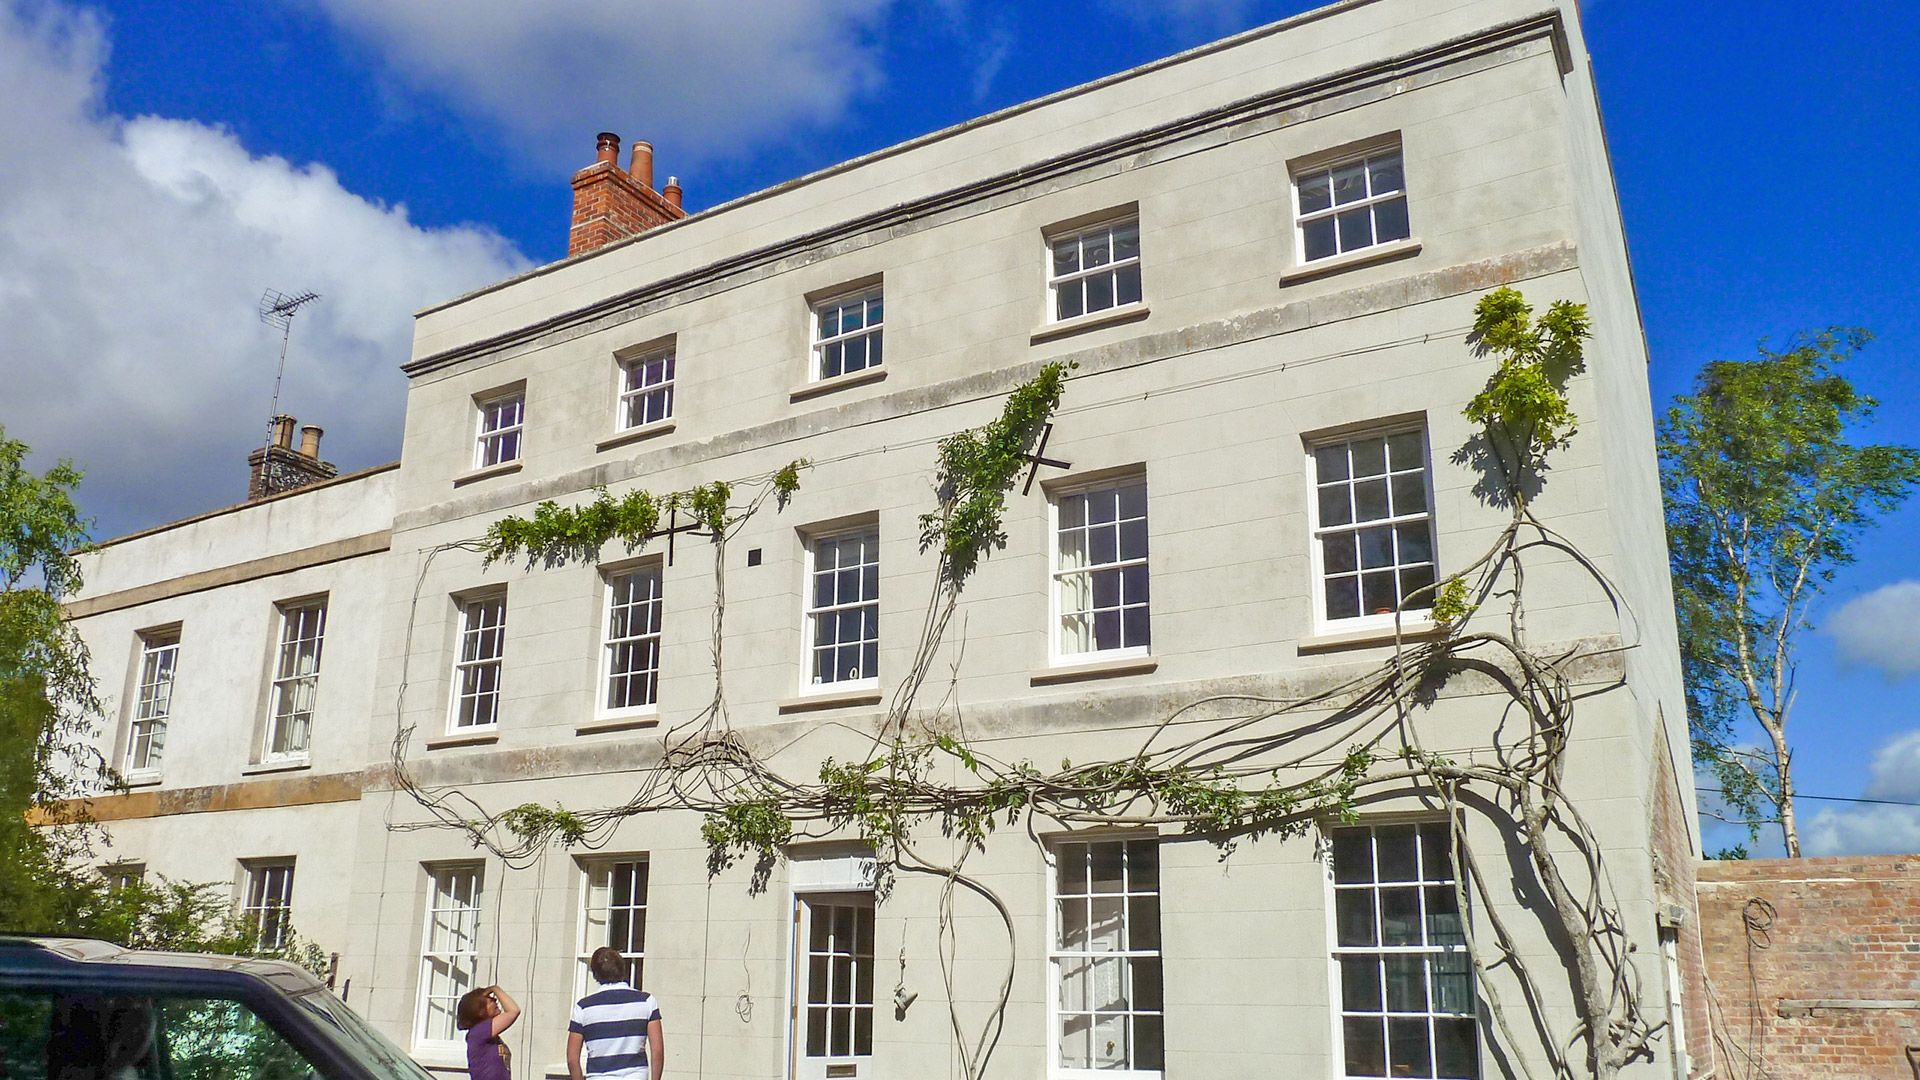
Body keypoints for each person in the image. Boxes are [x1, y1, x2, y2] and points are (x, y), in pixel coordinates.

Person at [568, 948, 663, 1080]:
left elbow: (572, 1059)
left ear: (595, 974)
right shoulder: (647, 1001)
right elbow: (657, 1050)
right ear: (622, 969)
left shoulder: (583, 1008)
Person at [456, 984, 520, 1080]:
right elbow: (513, 1011)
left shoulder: (488, 1034)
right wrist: (494, 988)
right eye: (491, 1001)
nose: (495, 1001)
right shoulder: (478, 1032)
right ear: (480, 1011)